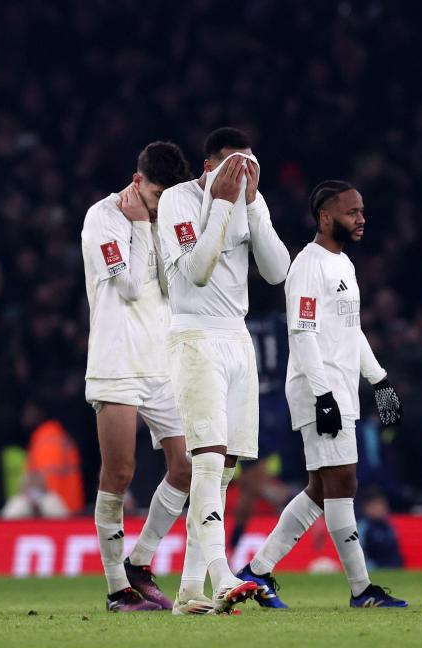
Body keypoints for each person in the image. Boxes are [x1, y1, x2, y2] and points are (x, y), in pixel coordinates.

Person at [236, 181, 408, 608]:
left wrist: (380, 380)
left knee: (321, 487)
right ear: (326, 217)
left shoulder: (343, 265)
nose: (361, 218)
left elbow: (352, 331)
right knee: (342, 481)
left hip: (339, 386)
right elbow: (303, 334)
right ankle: (361, 588)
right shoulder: (308, 266)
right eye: (352, 212)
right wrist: (324, 396)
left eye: (362, 210)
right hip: (320, 388)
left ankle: (257, 572)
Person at [157, 127, 291, 613]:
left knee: (227, 468)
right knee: (207, 460)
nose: (245, 174)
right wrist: (220, 201)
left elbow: (278, 272)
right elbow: (197, 270)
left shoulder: (249, 203)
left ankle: (190, 588)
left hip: (237, 337)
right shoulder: (177, 201)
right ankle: (222, 575)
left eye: (252, 165)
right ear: (211, 166)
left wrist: (252, 204)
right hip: (194, 335)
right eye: (237, 165)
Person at [81, 141, 198, 612]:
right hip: (117, 359)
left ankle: (141, 560)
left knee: (187, 466)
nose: (158, 208)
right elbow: (129, 285)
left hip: (162, 359)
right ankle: (116, 589)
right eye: (153, 198)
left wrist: (152, 224)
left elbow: (178, 285)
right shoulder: (102, 217)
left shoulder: (166, 213)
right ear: (137, 181)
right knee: (120, 472)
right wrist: (140, 226)